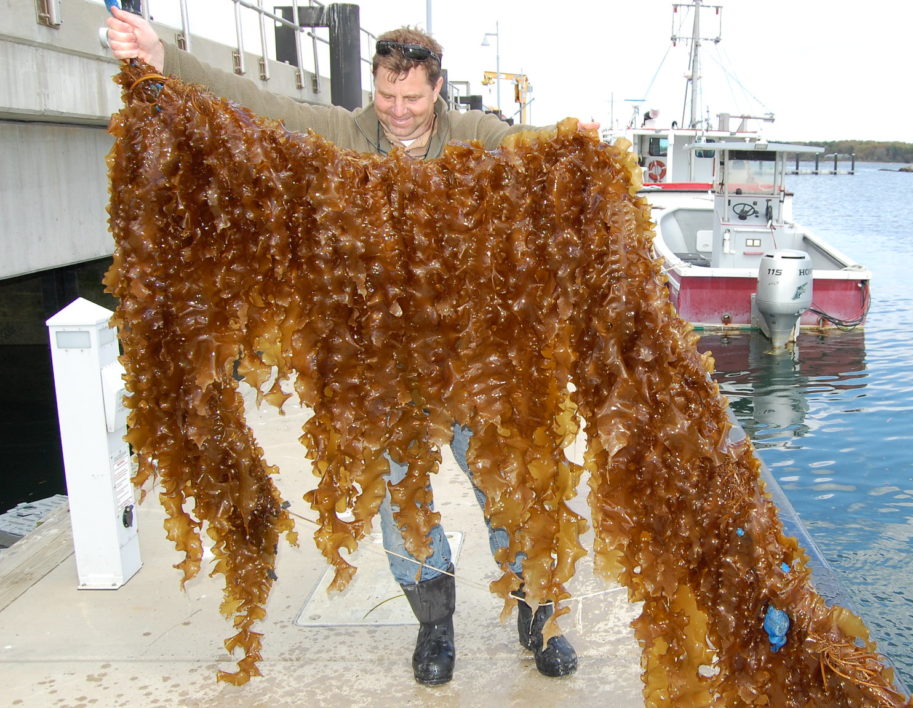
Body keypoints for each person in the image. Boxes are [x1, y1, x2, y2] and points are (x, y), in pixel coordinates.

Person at [104, 6, 583, 686]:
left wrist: (574, 139)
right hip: (381, 368)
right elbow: (250, 101)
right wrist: (163, 56)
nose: (397, 109)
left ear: (437, 89)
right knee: (400, 509)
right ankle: (435, 628)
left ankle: (540, 619)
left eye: (411, 97)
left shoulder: (473, 136)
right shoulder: (341, 134)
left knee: (510, 491)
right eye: (386, 94)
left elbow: (529, 142)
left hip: (469, 362)